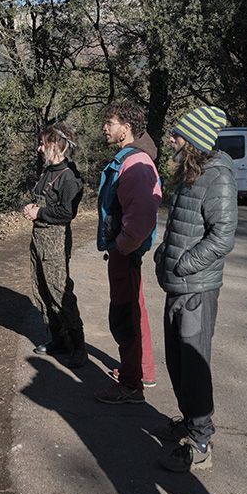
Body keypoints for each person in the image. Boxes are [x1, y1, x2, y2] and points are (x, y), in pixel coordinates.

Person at [152, 106, 236, 473]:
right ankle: (190, 422)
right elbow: (181, 226)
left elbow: (222, 236)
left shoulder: (217, 178)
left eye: (177, 134)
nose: (171, 139)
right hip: (178, 285)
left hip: (196, 288)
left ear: (195, 141)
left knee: (194, 365)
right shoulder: (191, 173)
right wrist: (163, 255)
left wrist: (183, 264)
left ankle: (201, 441)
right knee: (177, 361)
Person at [95, 100, 162, 404]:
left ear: (126, 127)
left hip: (125, 252)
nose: (104, 129)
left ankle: (131, 384)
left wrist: (121, 245)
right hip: (126, 251)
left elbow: (143, 214)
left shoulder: (134, 163)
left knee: (125, 315)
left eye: (109, 123)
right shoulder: (133, 159)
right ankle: (142, 371)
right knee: (135, 308)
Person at [23, 121, 87, 368]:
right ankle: (58, 340)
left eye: (43, 144)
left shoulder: (69, 176)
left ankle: (78, 347)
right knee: (41, 288)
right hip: (38, 238)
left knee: (60, 292)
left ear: (56, 145)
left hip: (56, 241)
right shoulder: (48, 170)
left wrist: (40, 213)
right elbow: (43, 200)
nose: (40, 149)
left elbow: (67, 213)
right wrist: (32, 207)